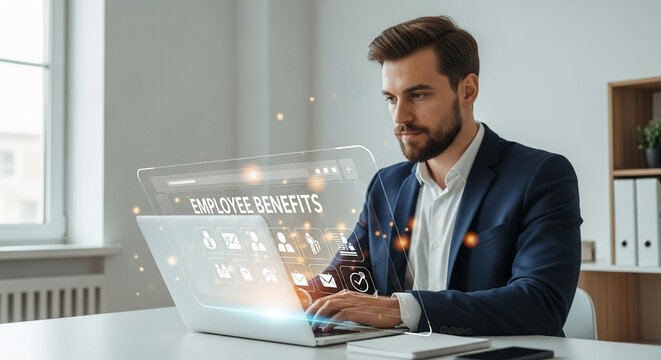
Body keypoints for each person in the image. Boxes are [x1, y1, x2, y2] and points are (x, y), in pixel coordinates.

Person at [304, 15, 582, 336]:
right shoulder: (386, 186)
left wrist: (403, 309)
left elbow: (541, 304)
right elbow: (336, 281)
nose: (400, 117)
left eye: (418, 95)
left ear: (467, 90)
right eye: (391, 99)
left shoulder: (541, 176)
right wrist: (279, 297)